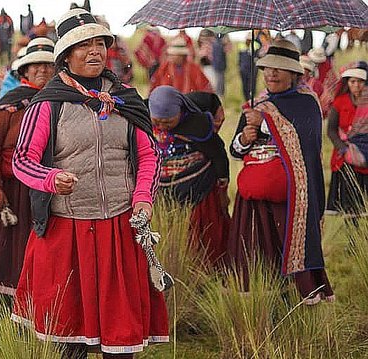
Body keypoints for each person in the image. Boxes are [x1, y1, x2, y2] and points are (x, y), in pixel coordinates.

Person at [11, 8, 169, 358]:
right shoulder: (47, 105)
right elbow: (22, 161)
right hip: (68, 232)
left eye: (100, 43)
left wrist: (143, 197)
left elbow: (149, 156)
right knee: (70, 340)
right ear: (66, 56)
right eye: (84, 45)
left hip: (118, 227)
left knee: (121, 336)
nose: (95, 50)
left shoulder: (126, 100)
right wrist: (51, 178)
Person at [227, 39, 334, 305]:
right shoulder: (258, 105)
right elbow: (235, 150)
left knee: (284, 250)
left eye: (279, 69)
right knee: (258, 254)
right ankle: (260, 303)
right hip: (253, 200)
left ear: (294, 73)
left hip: (289, 201)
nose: (271, 74)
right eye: (267, 69)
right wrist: (245, 136)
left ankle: (293, 302)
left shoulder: (306, 103)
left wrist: (265, 125)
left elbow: (306, 141)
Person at [0, 37, 55, 299]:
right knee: (11, 249)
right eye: (36, 66)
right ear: (24, 71)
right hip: (14, 190)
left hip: (49, 189)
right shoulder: (11, 103)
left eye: (48, 66)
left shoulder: (61, 102)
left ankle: (41, 302)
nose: (42, 71)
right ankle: (7, 305)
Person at [149, 87, 230, 265]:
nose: (162, 127)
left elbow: (218, 155)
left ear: (180, 112)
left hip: (198, 189)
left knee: (201, 235)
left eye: (168, 122)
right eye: (157, 122)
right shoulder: (144, 117)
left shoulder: (197, 126)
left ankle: (206, 270)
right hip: (162, 192)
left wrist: (223, 182)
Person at [326, 64, 368, 219]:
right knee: (349, 198)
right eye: (352, 82)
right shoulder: (340, 103)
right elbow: (331, 130)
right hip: (345, 156)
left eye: (360, 82)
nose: (356, 86)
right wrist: (343, 149)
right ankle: (352, 235)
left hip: (366, 154)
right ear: (347, 83)